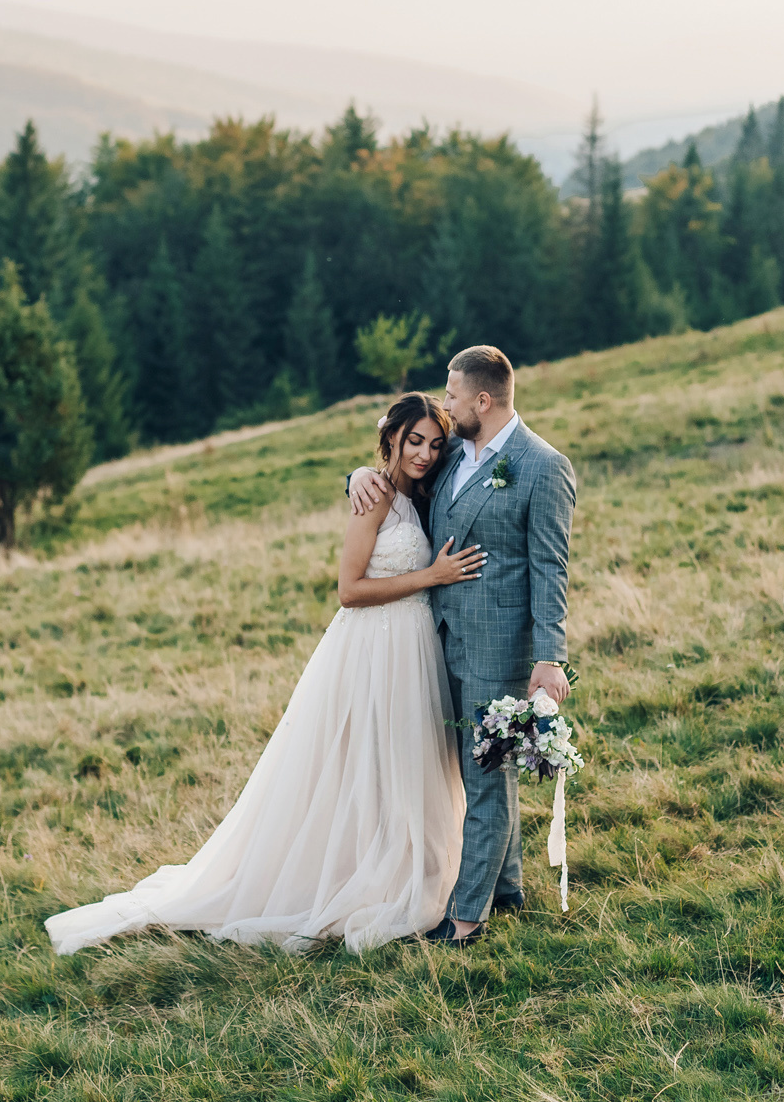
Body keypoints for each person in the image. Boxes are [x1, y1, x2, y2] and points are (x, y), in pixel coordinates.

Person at [44, 392, 484, 955]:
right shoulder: (373, 497)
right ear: (391, 438)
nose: (423, 453)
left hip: (410, 648)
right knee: (362, 763)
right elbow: (349, 591)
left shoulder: (415, 494)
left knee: (400, 764)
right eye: (414, 440)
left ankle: (401, 862)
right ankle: (350, 875)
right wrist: (432, 575)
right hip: (373, 648)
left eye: (433, 444)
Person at [346, 345, 575, 947]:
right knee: (475, 771)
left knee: (486, 775)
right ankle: (507, 886)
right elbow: (404, 474)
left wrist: (548, 658)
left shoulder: (542, 466)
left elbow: (550, 567)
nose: (444, 405)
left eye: (451, 395)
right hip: (437, 639)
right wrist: (358, 477)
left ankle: (466, 918)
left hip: (499, 647)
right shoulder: (451, 456)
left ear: (482, 399)